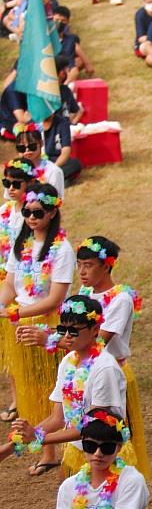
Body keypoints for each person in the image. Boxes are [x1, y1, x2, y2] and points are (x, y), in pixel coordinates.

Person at [7, 295, 138, 477]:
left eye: (74, 331)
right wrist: (14, 444)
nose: (67, 336)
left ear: (95, 330)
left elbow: (94, 426)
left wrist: (39, 438)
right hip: (78, 449)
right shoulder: (69, 361)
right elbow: (57, 419)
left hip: (106, 454)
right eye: (63, 329)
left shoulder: (105, 368)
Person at [0, 183, 74, 475]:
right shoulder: (22, 244)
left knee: (49, 387)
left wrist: (15, 312)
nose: (31, 217)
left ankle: (50, 450)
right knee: (27, 384)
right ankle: (41, 447)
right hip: (20, 321)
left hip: (48, 324)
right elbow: (9, 284)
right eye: (27, 211)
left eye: (38, 212)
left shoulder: (62, 249)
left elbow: (55, 298)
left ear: (53, 211)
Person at [76, 236, 152, 479]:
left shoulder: (121, 299)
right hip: (86, 373)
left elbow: (98, 342)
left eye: (88, 265)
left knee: (112, 439)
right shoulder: (84, 293)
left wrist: (51, 340)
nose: (82, 271)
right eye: (79, 264)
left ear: (107, 265)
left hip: (112, 373)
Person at [0, 158, 35, 424]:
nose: (11, 188)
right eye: (6, 183)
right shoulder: (4, 212)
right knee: (8, 352)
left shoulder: (34, 214)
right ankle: (15, 398)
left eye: (16, 184)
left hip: (26, 292)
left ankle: (28, 403)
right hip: (5, 283)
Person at [56, 410, 149, 508]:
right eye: (90, 446)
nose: (98, 454)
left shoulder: (130, 481)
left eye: (107, 447)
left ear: (119, 448)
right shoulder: (68, 487)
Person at [12, 122, 65, 199]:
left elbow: (56, 202)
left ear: (41, 143)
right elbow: (10, 200)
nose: (27, 151)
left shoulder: (54, 171)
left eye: (32, 146)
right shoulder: (14, 171)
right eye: (21, 148)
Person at [42, 112, 82, 183]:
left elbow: (65, 152)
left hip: (57, 162)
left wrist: (54, 168)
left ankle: (51, 179)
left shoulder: (62, 122)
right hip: (40, 163)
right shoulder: (33, 124)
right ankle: (58, 181)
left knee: (75, 164)